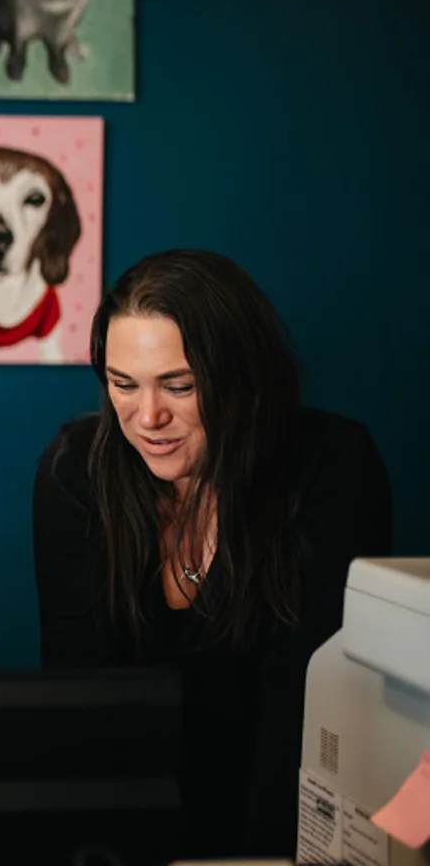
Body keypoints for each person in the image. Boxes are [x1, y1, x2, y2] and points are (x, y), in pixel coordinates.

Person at [32, 249, 393, 859]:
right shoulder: (78, 471)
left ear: (242, 376)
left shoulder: (331, 466)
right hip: (123, 833)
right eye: (124, 385)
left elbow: (301, 707)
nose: (148, 417)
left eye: (181, 385)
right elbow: (81, 699)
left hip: (277, 827)